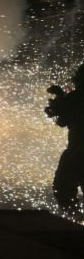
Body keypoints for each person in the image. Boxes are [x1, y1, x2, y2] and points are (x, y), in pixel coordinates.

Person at [45, 63, 84, 213]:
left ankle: (76, 225)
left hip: (77, 152)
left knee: (63, 189)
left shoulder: (77, 96)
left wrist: (58, 100)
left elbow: (61, 120)